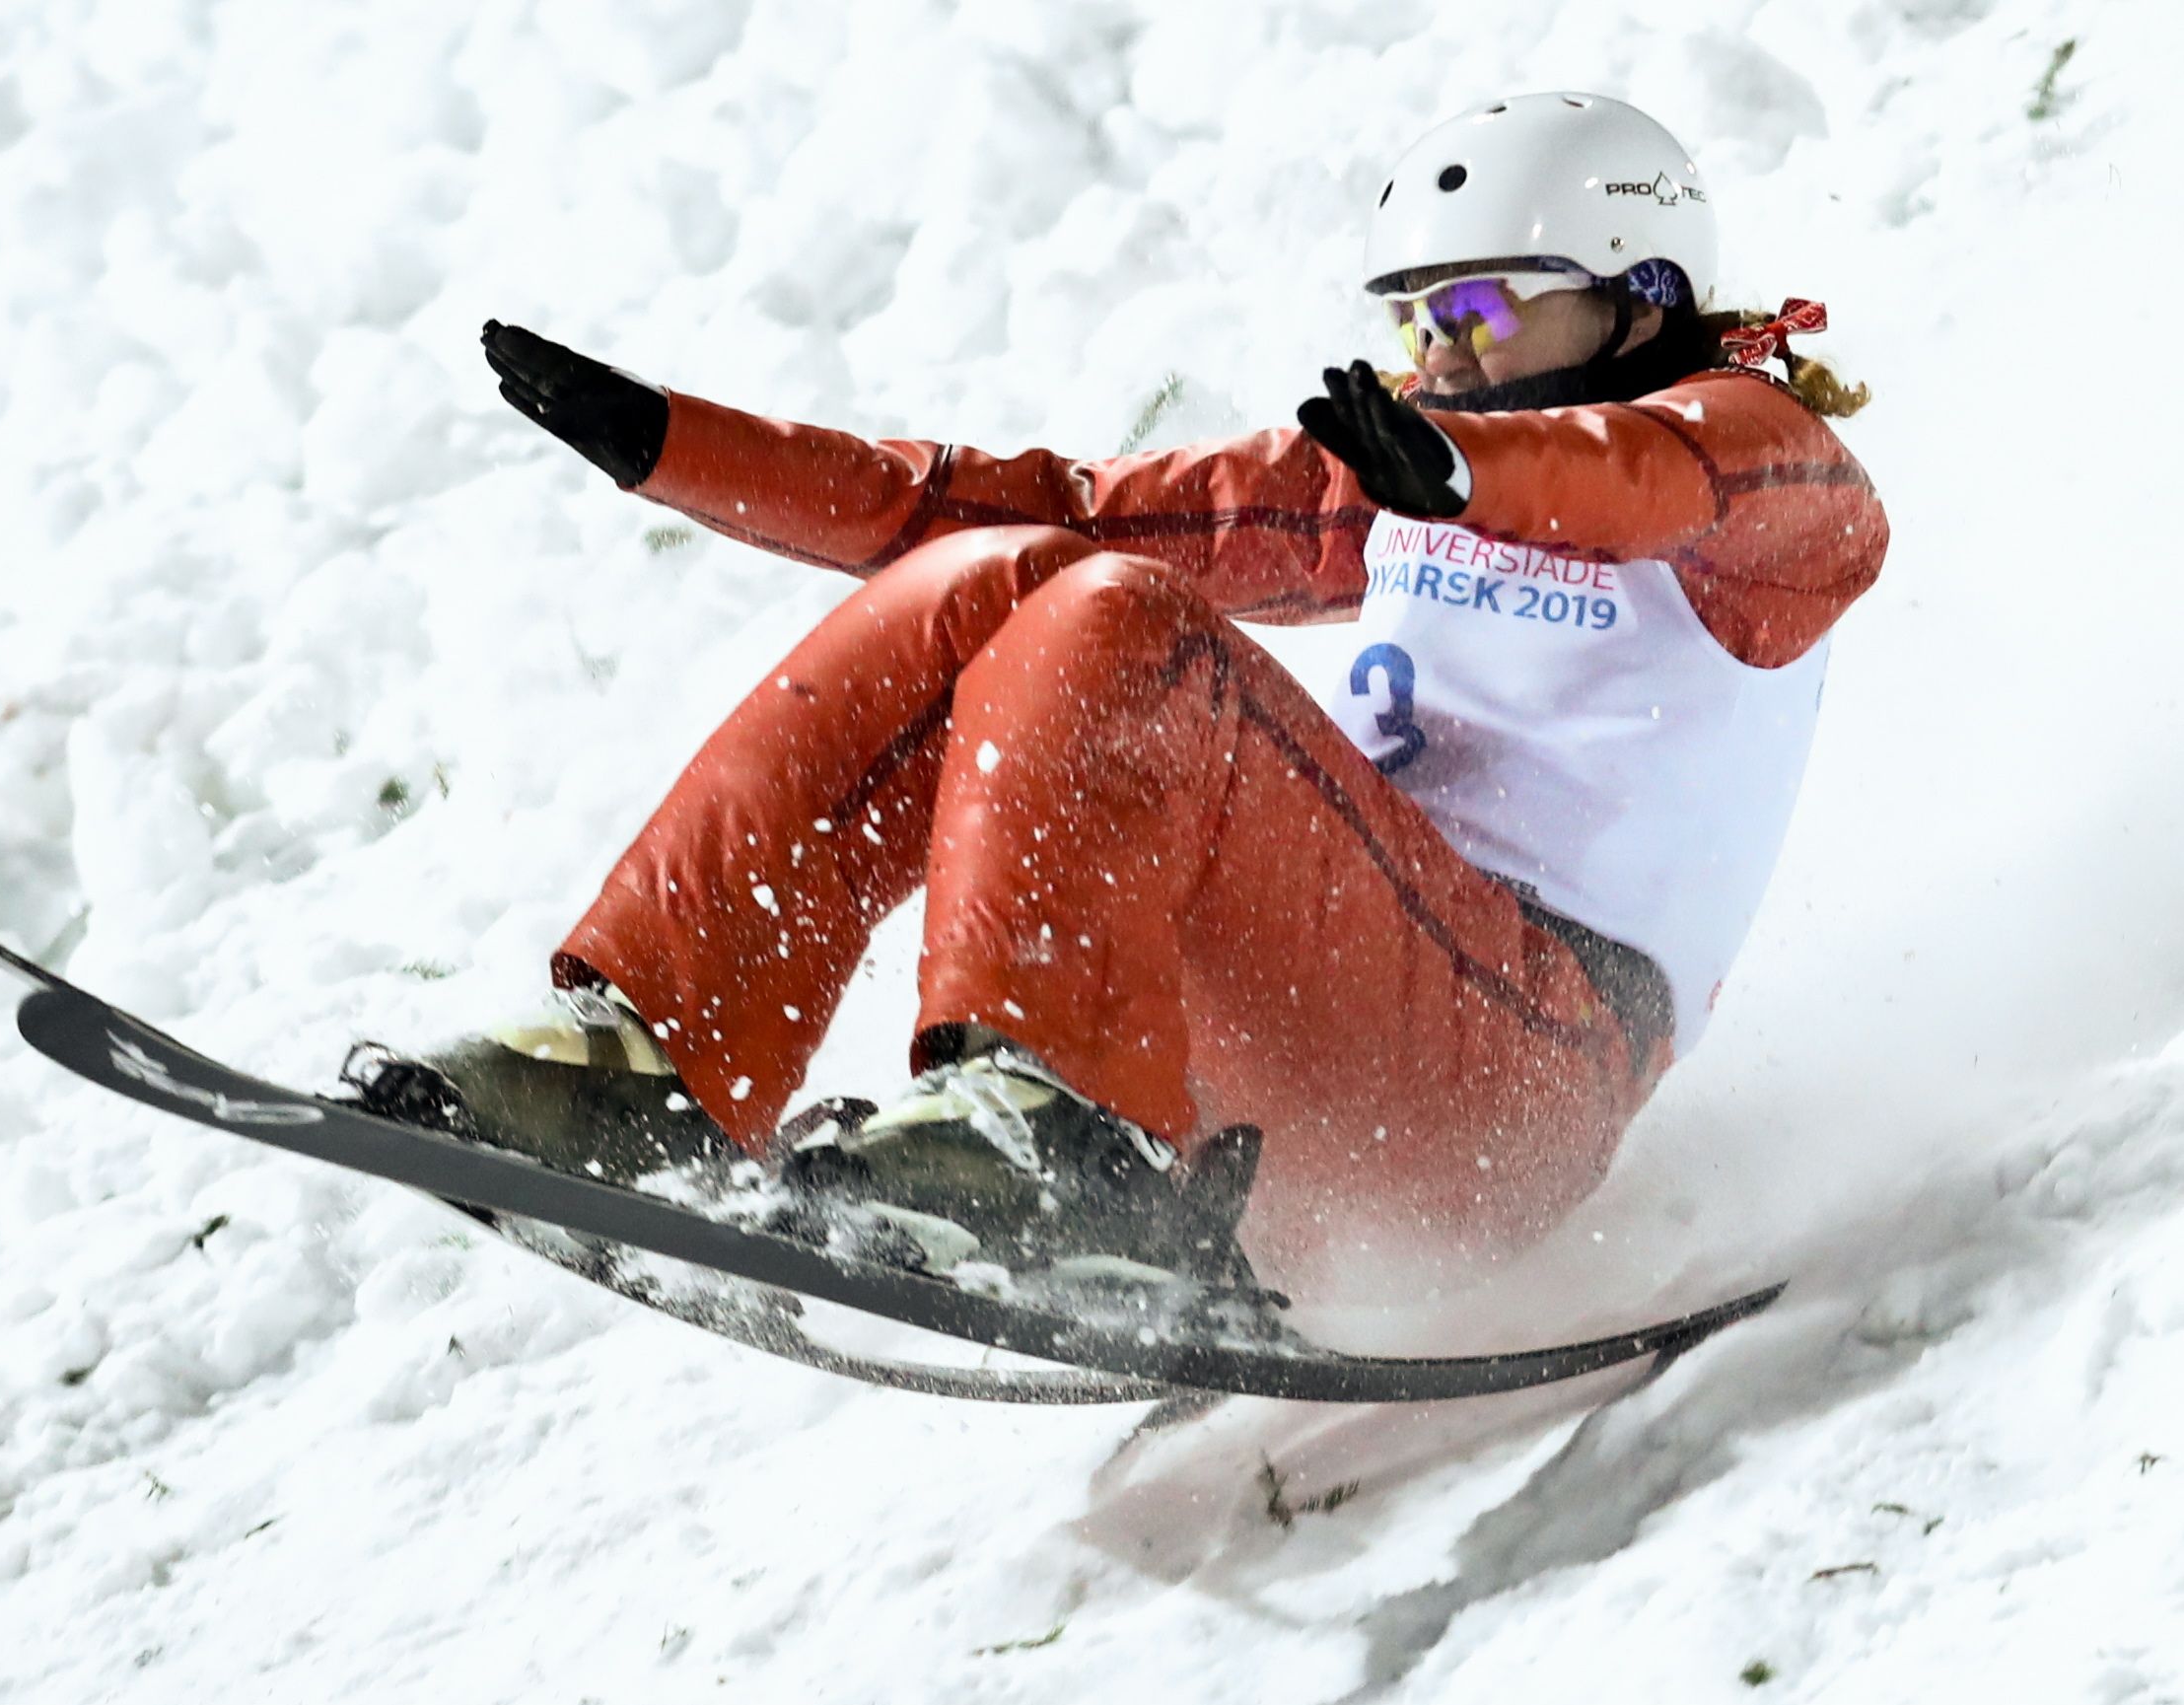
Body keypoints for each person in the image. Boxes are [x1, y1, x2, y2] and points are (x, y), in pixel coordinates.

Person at [346, 93, 1890, 1295]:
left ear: (1637, 295)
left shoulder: (1767, 475)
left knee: (1125, 628)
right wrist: (679, 448)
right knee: (1011, 580)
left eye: (1476, 309)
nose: (1431, 349)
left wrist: (1473, 467)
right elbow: (1047, 514)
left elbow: (1652, 475)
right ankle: (650, 1064)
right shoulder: (1401, 467)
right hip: (1296, 1063)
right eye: (1407, 313)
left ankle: (1052, 1145)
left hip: (1511, 1086)